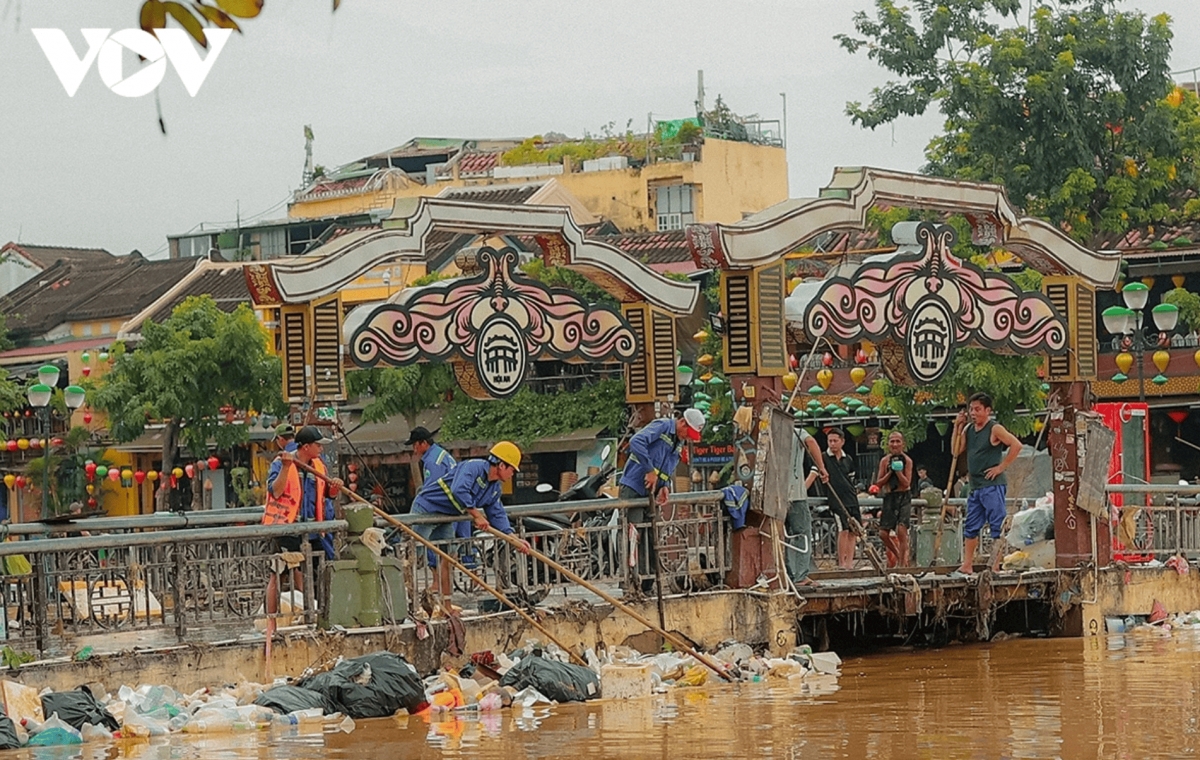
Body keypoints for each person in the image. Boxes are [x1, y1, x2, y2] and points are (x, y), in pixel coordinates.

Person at [410, 441, 531, 599]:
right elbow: (459, 489)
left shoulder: (494, 487)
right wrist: (477, 515)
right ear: (502, 465)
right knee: (414, 556)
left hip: (446, 516)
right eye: (512, 470)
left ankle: (447, 605)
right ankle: (410, 601)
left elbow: (497, 513)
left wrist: (513, 537)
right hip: (427, 509)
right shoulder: (473, 467)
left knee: (448, 558)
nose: (512, 474)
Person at [262, 425, 343, 626]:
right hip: (286, 527)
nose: (321, 449)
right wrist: (287, 467)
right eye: (318, 445)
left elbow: (326, 496)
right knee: (280, 573)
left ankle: (312, 615)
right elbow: (276, 491)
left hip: (313, 530)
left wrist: (334, 489)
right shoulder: (281, 463)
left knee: (314, 570)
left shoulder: (319, 466)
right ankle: (271, 621)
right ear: (306, 447)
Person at [618, 408, 705, 589]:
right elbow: (636, 441)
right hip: (634, 487)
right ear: (682, 423)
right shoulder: (663, 426)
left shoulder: (678, 442)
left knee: (651, 536)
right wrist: (649, 470)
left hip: (651, 492)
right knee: (633, 534)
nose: (688, 438)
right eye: (688, 433)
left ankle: (647, 584)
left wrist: (664, 485)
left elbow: (667, 466)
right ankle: (629, 583)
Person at [952, 392, 1023, 573]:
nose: (973, 413)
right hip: (975, 486)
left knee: (996, 524)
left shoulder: (994, 429)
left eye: (977, 409)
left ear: (987, 411)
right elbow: (955, 451)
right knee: (971, 525)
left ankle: (995, 564)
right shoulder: (968, 429)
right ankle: (967, 564)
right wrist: (957, 427)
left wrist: (1001, 467)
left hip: (992, 485)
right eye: (971, 409)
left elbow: (1016, 445)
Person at [405, 426, 466, 559]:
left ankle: (409, 571)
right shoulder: (442, 454)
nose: (414, 449)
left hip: (430, 507)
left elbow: (433, 490)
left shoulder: (433, 462)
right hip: (446, 507)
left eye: (415, 445)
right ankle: (444, 577)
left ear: (423, 443)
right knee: (448, 552)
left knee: (415, 548)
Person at [785, 425, 829, 587]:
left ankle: (787, 575)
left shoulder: (767, 430)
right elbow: (811, 441)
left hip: (774, 496)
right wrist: (822, 467)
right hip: (795, 494)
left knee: (780, 537)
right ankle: (801, 575)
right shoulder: (796, 431)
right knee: (802, 534)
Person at [821, 428, 861, 570]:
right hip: (836, 499)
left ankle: (849, 563)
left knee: (853, 531)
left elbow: (852, 478)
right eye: (830, 441)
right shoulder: (824, 458)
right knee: (842, 529)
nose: (832, 444)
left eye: (835, 441)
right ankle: (841, 563)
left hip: (851, 497)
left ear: (842, 442)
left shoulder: (848, 459)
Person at [873, 430, 913, 568]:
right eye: (892, 441)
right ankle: (897, 555)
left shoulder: (907, 460)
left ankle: (902, 564)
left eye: (898, 441)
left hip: (904, 496)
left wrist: (898, 472)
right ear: (888, 444)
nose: (895, 444)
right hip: (890, 497)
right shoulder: (884, 461)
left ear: (903, 444)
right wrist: (890, 472)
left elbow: (907, 483)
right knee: (883, 533)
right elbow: (879, 483)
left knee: (902, 530)